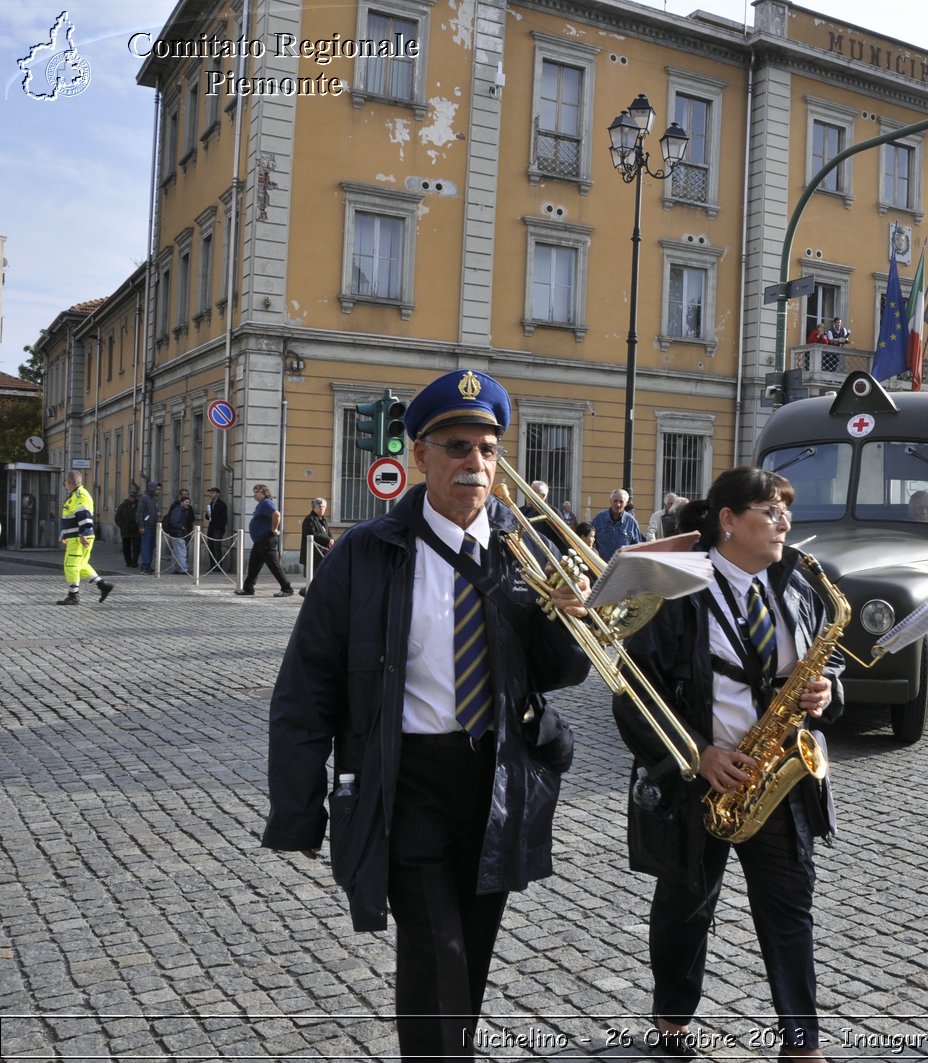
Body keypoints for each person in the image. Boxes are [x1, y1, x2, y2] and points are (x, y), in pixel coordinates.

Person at [262, 368, 590, 1061]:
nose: (476, 463)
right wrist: (298, 807)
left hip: (498, 775)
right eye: (458, 447)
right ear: (421, 456)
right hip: (405, 778)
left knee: (470, 949)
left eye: (488, 449)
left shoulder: (522, 552)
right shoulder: (365, 551)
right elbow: (306, 685)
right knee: (434, 949)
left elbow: (558, 672)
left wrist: (568, 619)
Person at [613, 466, 843, 1060]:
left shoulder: (794, 586)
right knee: (685, 908)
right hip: (702, 780)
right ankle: (671, 1024)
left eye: (786, 511)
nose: (784, 522)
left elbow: (824, 669)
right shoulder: (676, 591)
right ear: (728, 521)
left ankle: (801, 1044)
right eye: (770, 511)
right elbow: (633, 697)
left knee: (790, 911)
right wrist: (697, 755)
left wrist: (824, 692)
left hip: (778, 777)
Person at [56, 470, 114, 605]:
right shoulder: (76, 495)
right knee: (81, 565)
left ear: (69, 483)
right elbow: (73, 518)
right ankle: (103, 585)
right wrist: (64, 533)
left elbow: (84, 517)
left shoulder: (79, 495)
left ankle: (73, 596)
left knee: (70, 566)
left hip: (78, 538)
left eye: (65, 481)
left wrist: (82, 534)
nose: (64, 483)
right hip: (78, 536)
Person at [236, 484, 296, 597]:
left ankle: (287, 588)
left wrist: (274, 528)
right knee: (254, 564)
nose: (254, 494)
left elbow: (276, 514)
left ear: (264, 493)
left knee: (274, 565)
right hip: (260, 541)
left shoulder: (266, 503)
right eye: (254, 492)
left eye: (257, 492)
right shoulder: (261, 504)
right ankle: (248, 588)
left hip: (266, 540)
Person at [593, 488, 642, 561]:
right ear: (610, 501)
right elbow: (591, 542)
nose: (618, 504)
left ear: (626, 503)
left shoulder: (631, 522)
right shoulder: (599, 519)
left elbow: (637, 548)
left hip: (622, 568)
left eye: (621, 502)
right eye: (615, 501)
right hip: (600, 566)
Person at [163, 488, 197, 575]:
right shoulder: (177, 509)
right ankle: (183, 569)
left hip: (182, 533)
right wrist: (182, 527)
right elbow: (174, 521)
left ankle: (175, 568)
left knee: (177, 552)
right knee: (182, 552)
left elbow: (192, 519)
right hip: (178, 533)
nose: (188, 504)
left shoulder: (186, 510)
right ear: (181, 502)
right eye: (186, 502)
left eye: (189, 502)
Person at [300, 497, 332, 573]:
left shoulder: (323, 520)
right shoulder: (309, 519)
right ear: (314, 508)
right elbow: (311, 534)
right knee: (312, 577)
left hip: (323, 554)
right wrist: (328, 540)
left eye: (324, 507)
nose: (322, 509)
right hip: (313, 555)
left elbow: (329, 534)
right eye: (319, 507)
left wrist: (332, 540)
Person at [136, 481, 161, 574]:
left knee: (151, 546)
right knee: (146, 546)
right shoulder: (144, 498)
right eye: (157, 489)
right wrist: (141, 526)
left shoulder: (154, 499)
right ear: (152, 489)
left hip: (153, 525)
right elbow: (139, 513)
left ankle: (148, 565)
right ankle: (145, 566)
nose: (159, 491)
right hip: (146, 526)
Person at [204, 487, 231, 572]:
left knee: (217, 547)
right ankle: (212, 565)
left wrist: (219, 527)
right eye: (210, 493)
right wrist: (208, 515)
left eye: (213, 493)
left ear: (217, 494)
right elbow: (207, 517)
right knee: (210, 547)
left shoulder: (221, 504)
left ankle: (218, 566)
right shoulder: (211, 504)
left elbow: (223, 518)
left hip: (218, 529)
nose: (211, 494)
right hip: (211, 528)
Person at [114, 491, 140, 567]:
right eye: (131, 496)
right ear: (129, 497)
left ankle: (134, 562)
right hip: (126, 529)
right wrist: (122, 525)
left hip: (136, 529)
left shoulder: (139, 505)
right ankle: (128, 562)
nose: (132, 498)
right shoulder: (123, 506)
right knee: (126, 547)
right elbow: (117, 517)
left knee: (136, 547)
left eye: (134, 497)